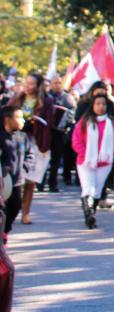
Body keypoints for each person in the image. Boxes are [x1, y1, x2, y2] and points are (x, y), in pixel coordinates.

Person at [71, 93, 114, 229]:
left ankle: (92, 213)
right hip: (85, 162)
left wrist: (113, 153)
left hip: (104, 163)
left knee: (98, 191)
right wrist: (86, 154)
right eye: (98, 104)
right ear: (92, 106)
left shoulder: (110, 123)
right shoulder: (84, 122)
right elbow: (76, 141)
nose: (101, 107)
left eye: (103, 104)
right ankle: (88, 215)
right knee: (88, 188)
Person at [10, 72, 54, 225]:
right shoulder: (17, 99)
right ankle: (11, 209)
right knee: (14, 179)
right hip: (16, 141)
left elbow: (48, 126)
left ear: (38, 86)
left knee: (30, 180)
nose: (28, 86)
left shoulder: (46, 102)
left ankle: (26, 212)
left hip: (35, 142)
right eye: (26, 83)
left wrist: (45, 146)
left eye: (32, 84)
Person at [0, 106, 31, 236]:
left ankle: (5, 233)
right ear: (7, 119)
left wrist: (25, 167)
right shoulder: (1, 137)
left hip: (17, 180)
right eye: (19, 118)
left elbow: (30, 154)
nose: (23, 121)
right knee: (2, 210)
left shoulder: (22, 136)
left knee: (15, 207)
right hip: (3, 182)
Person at [46, 78, 75, 193]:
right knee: (43, 157)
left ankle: (53, 183)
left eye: (59, 83)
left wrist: (66, 122)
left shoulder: (67, 98)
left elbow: (72, 114)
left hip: (60, 132)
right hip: (47, 132)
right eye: (55, 83)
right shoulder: (46, 97)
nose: (57, 85)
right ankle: (40, 183)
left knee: (56, 159)